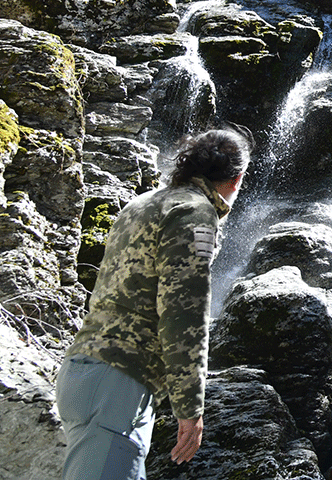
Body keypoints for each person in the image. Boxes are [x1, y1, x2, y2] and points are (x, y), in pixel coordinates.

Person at [55, 128, 250, 480]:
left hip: (81, 371)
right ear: (236, 179)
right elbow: (184, 312)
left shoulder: (143, 203)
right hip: (120, 383)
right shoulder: (195, 213)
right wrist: (190, 407)